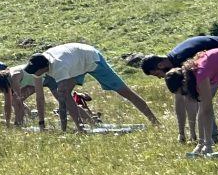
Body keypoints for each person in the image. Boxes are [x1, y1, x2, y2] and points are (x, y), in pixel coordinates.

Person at [24, 44, 157, 130]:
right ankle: (81, 126)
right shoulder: (39, 63)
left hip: (91, 59)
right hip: (75, 63)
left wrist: (63, 128)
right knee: (64, 94)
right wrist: (42, 124)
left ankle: (155, 122)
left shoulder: (59, 67)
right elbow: (42, 97)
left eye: (35, 71)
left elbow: (63, 101)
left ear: (44, 68)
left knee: (124, 91)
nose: (33, 74)